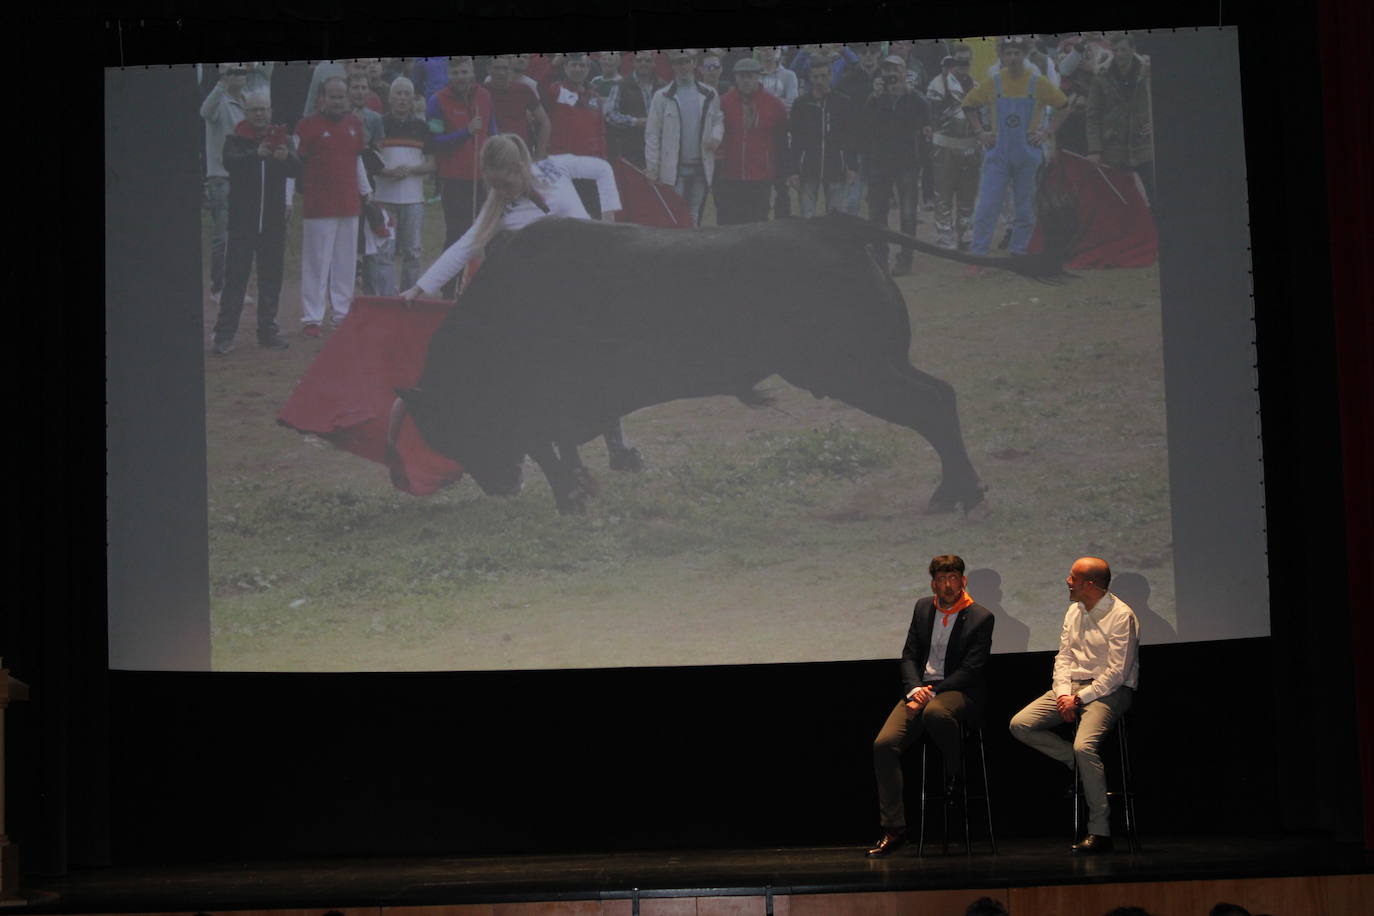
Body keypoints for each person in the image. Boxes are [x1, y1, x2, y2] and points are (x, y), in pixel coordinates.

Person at [400, 134, 643, 473]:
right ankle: (574, 455)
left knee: (602, 365)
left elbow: (602, 169)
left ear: (519, 167)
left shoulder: (554, 168)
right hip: (546, 303)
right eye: (493, 184)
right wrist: (420, 288)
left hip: (588, 284)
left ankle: (617, 448)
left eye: (505, 182)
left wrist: (608, 224)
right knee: (564, 376)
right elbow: (466, 244)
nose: (501, 191)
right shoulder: (498, 206)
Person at [1009, 557, 1140, 855]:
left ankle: (1100, 831)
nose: (1068, 581)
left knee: (1085, 747)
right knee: (1020, 724)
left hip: (1110, 692)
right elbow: (1064, 658)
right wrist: (1063, 695)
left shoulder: (1122, 616)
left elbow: (1117, 673)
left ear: (1090, 584)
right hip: (1072, 690)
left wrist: (1080, 699)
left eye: (1073, 577)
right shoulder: (1074, 610)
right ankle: (1075, 764)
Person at [868, 554, 994, 857]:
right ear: (933, 583)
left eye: (953, 579)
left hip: (958, 691)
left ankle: (956, 773)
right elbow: (910, 655)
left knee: (937, 713)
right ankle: (895, 828)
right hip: (921, 691)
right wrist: (914, 690)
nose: (947, 586)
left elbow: (971, 669)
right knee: (883, 745)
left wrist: (933, 692)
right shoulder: (923, 607)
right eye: (941, 580)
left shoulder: (980, 617)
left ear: (963, 581)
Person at [961, 36, 1069, 268]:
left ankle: (1018, 253)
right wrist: (981, 132)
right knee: (988, 205)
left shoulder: (1038, 82)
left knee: (1025, 207)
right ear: (1001, 55)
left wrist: (1047, 131)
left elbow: (1063, 106)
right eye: (1008, 53)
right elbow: (968, 104)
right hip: (997, 154)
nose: (1012, 58)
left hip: (1027, 154)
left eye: (1016, 53)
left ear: (1025, 54)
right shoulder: (994, 81)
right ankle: (977, 256)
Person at [211, 89, 300, 354]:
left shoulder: (283, 141)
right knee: (235, 279)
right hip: (242, 224)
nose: (260, 114)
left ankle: (267, 331)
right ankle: (224, 335)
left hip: (272, 224)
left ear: (271, 111)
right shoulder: (236, 139)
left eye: (264, 109)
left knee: (271, 278)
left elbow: (299, 170)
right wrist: (257, 154)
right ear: (246, 113)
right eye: (255, 110)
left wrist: (287, 158)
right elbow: (231, 163)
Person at [294, 76, 372, 336]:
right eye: (333, 96)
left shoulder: (354, 125)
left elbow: (357, 161)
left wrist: (367, 194)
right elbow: (295, 166)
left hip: (349, 204)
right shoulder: (306, 127)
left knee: (345, 262)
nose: (338, 101)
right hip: (319, 206)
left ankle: (342, 313)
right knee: (317, 262)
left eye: (342, 96)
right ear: (321, 99)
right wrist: (287, 199)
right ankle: (312, 317)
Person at [427, 56, 494, 297]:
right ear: (449, 74)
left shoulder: (484, 97)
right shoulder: (437, 101)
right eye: (455, 73)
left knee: (488, 234)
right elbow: (434, 142)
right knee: (457, 235)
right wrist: (465, 132)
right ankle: (448, 291)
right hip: (454, 179)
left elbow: (492, 134)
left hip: (483, 179)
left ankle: (487, 291)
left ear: (472, 72)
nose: (460, 77)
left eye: (464, 72)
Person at [859, 55, 930, 275]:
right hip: (879, 161)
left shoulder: (914, 97)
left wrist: (909, 92)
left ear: (904, 71)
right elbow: (865, 125)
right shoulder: (876, 97)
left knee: (908, 214)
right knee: (877, 212)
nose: (891, 74)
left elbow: (927, 120)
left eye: (895, 70)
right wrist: (874, 96)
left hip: (907, 161)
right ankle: (880, 257)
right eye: (887, 70)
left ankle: (905, 259)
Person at [644, 49, 723, 227]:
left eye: (687, 61)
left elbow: (719, 119)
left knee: (694, 214)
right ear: (672, 66)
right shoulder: (662, 96)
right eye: (678, 63)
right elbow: (652, 134)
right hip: (674, 169)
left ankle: (691, 252)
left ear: (695, 63)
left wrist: (716, 136)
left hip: (701, 168)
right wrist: (652, 167)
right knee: (675, 215)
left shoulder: (710, 93)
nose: (683, 67)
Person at [372, 77, 434, 296]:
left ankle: (408, 296)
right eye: (398, 93)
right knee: (384, 251)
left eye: (407, 94)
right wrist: (388, 172)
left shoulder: (421, 126)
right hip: (384, 197)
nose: (402, 98)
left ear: (412, 99)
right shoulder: (379, 123)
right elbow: (370, 160)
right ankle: (387, 297)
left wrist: (411, 170)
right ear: (389, 98)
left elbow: (431, 163)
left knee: (413, 252)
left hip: (413, 200)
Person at [714, 58, 788, 225]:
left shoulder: (775, 105)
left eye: (750, 76)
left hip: (760, 177)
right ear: (735, 77)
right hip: (729, 176)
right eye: (741, 76)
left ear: (758, 76)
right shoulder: (722, 102)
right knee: (728, 224)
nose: (746, 80)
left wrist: (780, 177)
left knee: (757, 225)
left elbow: (781, 144)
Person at [1087, 33, 1156, 207]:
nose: (1119, 54)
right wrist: (1095, 149)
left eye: (1123, 50)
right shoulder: (1101, 76)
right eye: (1115, 50)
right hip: (1114, 146)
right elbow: (1093, 115)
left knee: (1155, 194)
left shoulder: (1148, 71)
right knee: (1117, 199)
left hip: (1144, 144)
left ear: (1133, 50)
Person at [200, 63, 248, 301]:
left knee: (241, 234)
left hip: (243, 177)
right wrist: (221, 83)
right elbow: (205, 112)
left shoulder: (249, 103)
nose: (238, 76)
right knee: (223, 235)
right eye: (233, 72)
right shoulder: (219, 99)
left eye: (242, 72)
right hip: (220, 176)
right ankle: (218, 287)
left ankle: (236, 287)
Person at [788, 57, 858, 217]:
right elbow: (795, 139)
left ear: (831, 75)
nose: (820, 80)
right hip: (807, 167)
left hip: (837, 167)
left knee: (836, 217)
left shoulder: (843, 102)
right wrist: (793, 170)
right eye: (816, 77)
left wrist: (852, 166)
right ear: (810, 78)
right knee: (807, 216)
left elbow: (850, 137)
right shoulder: (801, 104)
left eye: (824, 76)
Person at [926, 45, 981, 250]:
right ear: (952, 61)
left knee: (968, 194)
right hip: (944, 147)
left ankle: (965, 233)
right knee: (943, 194)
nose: (963, 65)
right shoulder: (938, 84)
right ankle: (945, 236)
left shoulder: (977, 85)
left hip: (970, 147)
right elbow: (931, 115)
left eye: (966, 61)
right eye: (959, 61)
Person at [485, 54, 550, 159]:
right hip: (492, 154)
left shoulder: (524, 90)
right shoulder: (481, 92)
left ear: (511, 69)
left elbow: (544, 122)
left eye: (505, 68)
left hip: (520, 154)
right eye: (497, 68)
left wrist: (539, 156)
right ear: (488, 69)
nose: (501, 72)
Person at [605, 50, 662, 168]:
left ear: (653, 64)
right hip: (631, 148)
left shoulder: (663, 86)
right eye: (639, 60)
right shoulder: (621, 85)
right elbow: (609, 115)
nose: (643, 63)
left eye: (648, 60)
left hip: (659, 146)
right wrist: (636, 122)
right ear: (633, 63)